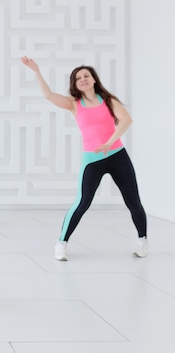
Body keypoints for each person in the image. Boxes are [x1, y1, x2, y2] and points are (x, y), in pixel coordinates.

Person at [20, 56, 148, 261]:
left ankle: (143, 241)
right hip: (92, 160)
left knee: (133, 201)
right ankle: (61, 243)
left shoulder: (108, 101)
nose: (83, 79)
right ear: (75, 84)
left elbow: (126, 120)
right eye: (78, 78)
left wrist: (109, 142)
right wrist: (36, 71)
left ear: (94, 79)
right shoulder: (73, 104)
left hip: (117, 156)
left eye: (86, 75)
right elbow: (49, 95)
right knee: (82, 202)